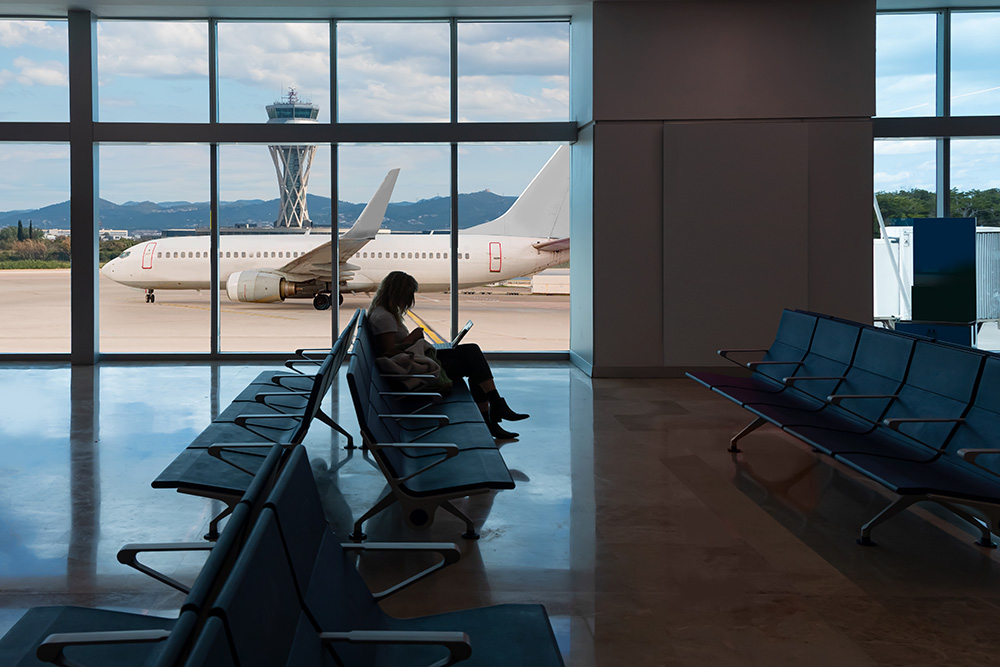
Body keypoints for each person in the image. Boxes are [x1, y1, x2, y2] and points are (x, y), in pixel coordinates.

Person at [368, 270, 528, 439]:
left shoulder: (383, 312)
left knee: (472, 355)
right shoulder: (384, 317)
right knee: (473, 360)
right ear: (398, 293)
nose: (409, 300)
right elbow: (388, 352)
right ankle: (494, 413)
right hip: (412, 371)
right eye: (408, 294)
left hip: (414, 362)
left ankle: (493, 414)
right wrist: (413, 337)